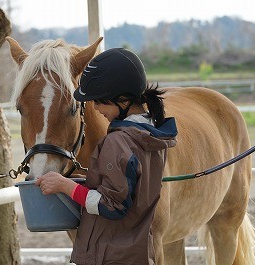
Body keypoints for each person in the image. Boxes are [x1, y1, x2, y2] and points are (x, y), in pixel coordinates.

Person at [36, 48, 177, 265]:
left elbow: (111, 205)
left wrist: (66, 186)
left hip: (110, 255)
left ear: (122, 100)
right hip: (137, 251)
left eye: (99, 101)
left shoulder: (117, 142)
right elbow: (130, 190)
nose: (95, 108)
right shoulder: (153, 136)